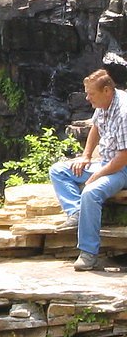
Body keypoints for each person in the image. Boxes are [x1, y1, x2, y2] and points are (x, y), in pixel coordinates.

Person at [49, 68, 127, 271]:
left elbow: (123, 158)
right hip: (107, 161)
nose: (87, 98)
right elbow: (96, 127)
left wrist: (97, 175)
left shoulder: (124, 112)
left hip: (122, 168)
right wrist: (85, 157)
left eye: (91, 94)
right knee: (58, 170)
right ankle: (76, 213)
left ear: (107, 90)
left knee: (90, 193)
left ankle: (88, 253)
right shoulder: (103, 104)